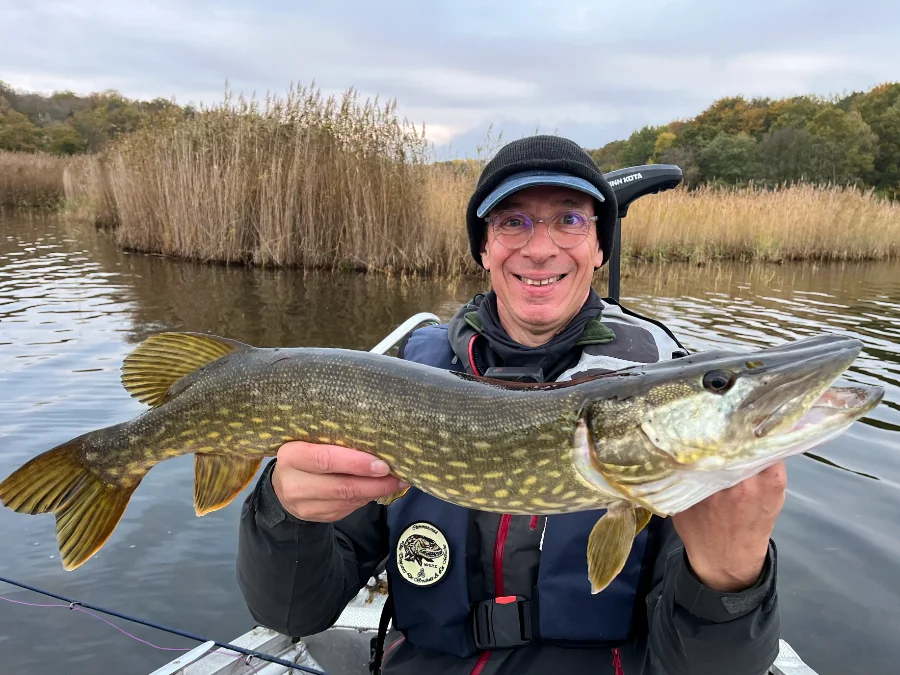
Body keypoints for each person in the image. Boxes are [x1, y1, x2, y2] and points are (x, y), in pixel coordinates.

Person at [236, 135, 783, 675]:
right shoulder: (402, 380)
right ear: (484, 247)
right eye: (511, 221)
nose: (539, 247)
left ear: (599, 247)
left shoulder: (661, 397)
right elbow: (291, 613)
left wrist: (730, 579)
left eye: (570, 220)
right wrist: (285, 514)